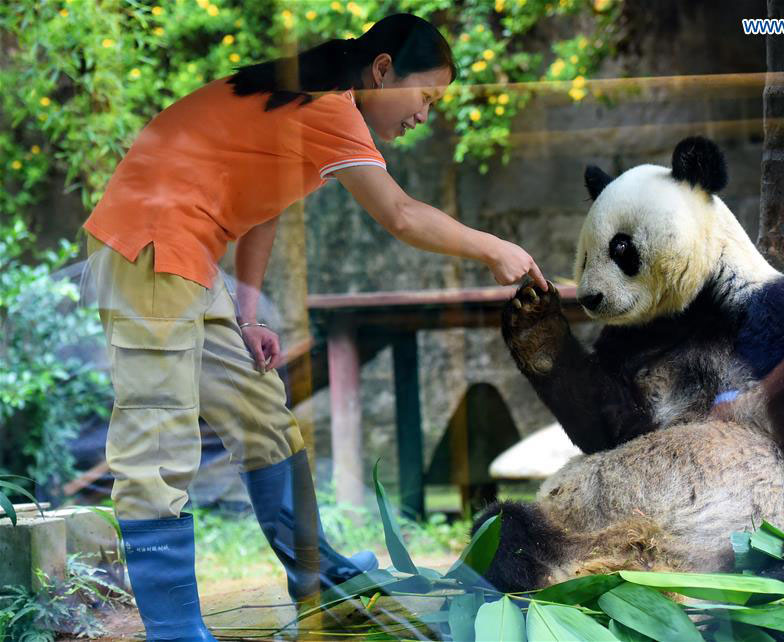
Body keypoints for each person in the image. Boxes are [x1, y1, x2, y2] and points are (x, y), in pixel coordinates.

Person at [83, 13, 546, 641]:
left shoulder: (304, 107)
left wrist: (245, 316)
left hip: (187, 255)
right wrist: (494, 248)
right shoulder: (328, 107)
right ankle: (175, 631)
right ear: (383, 70)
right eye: (426, 97)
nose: (424, 116)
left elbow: (259, 209)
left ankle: (318, 578)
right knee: (156, 450)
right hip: (151, 248)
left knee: (262, 415)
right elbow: (401, 215)